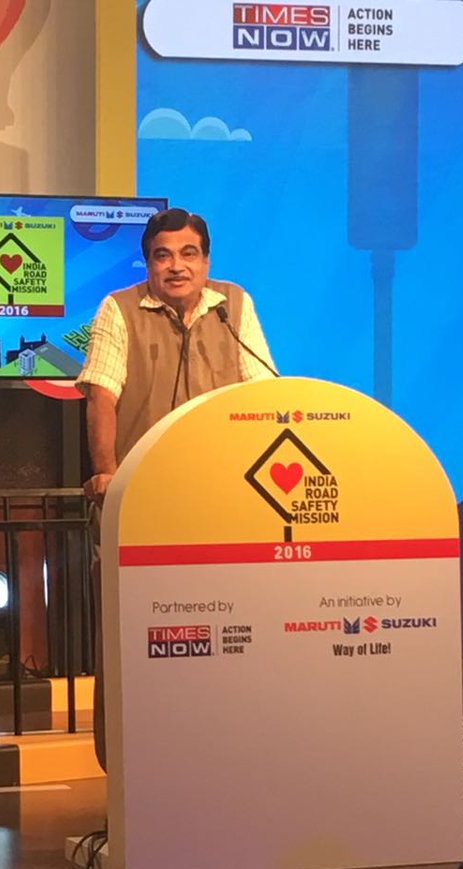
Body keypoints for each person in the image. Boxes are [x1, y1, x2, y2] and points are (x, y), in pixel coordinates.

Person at [76, 207, 276, 768]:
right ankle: (126, 761)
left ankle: (230, 754)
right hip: (141, 504)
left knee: (230, 633)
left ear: (206, 262)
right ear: (148, 263)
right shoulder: (119, 309)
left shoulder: (233, 306)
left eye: (189, 254)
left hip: (222, 503)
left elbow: (261, 389)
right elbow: (102, 395)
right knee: (132, 640)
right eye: (162, 256)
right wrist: (107, 472)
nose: (176, 266)